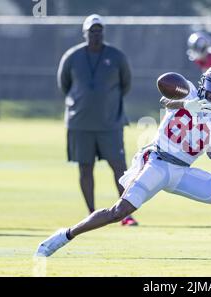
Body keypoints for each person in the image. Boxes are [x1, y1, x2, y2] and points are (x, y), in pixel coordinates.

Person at [36, 64, 211, 259]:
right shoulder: (192, 93)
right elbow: (165, 96)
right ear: (204, 81)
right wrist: (190, 104)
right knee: (119, 212)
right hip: (157, 162)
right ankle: (65, 235)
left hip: (183, 171)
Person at [57, 14, 138, 226]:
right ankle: (91, 213)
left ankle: (125, 213)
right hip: (80, 123)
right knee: (85, 168)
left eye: (99, 30)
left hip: (110, 123)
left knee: (120, 167)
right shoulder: (72, 56)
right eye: (92, 31)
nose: (95, 34)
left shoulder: (116, 56)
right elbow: (64, 84)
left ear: (103, 32)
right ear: (84, 33)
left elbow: (125, 84)